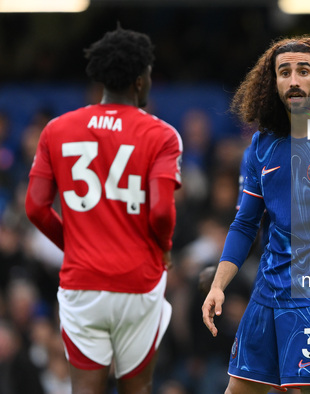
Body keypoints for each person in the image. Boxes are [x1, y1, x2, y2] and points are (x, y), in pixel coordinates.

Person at [202, 36, 310, 394]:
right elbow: (244, 224)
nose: (294, 80)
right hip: (268, 291)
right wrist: (218, 285)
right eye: (285, 72)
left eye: (303, 71)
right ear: (274, 83)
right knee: (238, 389)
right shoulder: (260, 145)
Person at [25, 26, 182, 394]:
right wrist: (163, 247)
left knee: (85, 389)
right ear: (141, 80)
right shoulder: (161, 135)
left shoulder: (56, 129)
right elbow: (160, 212)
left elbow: (35, 207)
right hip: (137, 280)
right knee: (137, 388)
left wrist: (75, 244)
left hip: (82, 282)